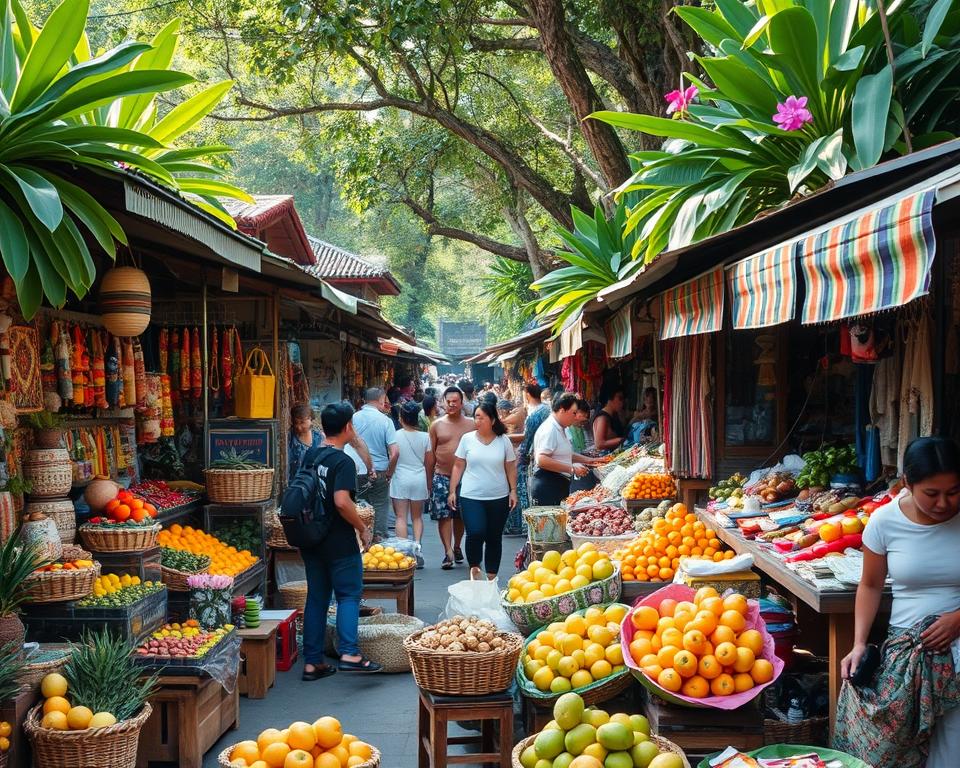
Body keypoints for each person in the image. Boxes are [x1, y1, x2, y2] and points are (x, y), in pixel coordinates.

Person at [836, 437, 960, 767]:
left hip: (958, 651)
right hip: (905, 653)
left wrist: (958, 619)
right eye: (932, 494)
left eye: (953, 491)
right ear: (907, 483)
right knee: (898, 750)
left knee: (951, 748)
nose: (944, 503)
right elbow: (871, 584)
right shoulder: (884, 521)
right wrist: (859, 644)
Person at [284, 402, 383, 679]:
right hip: (338, 541)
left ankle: (312, 662)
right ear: (348, 427)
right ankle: (350, 652)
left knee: (317, 597)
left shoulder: (312, 455)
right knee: (348, 595)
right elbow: (342, 502)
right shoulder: (343, 461)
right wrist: (362, 527)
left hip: (311, 537)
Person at [447, 401, 517, 580]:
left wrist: (513, 490)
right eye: (475, 417)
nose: (477, 421)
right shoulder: (467, 439)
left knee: (494, 537)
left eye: (481, 417)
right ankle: (475, 569)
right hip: (471, 496)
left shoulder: (504, 441)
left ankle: (492, 579)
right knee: (476, 532)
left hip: (498, 496)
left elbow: (510, 467)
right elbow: (458, 465)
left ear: (492, 420)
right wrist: (452, 490)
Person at [427, 386, 475, 569]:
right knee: (443, 515)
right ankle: (447, 551)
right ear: (443, 403)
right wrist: (429, 479)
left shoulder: (472, 424)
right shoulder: (436, 425)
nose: (452, 404)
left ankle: (456, 546)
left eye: (455, 401)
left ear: (462, 403)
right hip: (442, 475)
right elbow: (431, 453)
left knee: (460, 516)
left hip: (466, 477)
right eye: (448, 401)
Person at [351, 388, 399, 540]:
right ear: (381, 400)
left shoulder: (353, 417)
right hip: (379, 470)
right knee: (379, 505)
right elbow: (395, 452)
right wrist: (389, 472)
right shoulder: (385, 421)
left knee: (358, 506)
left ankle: (359, 539)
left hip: (356, 470)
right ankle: (378, 540)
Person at [531, 392, 595, 505]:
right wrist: (572, 468)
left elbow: (565, 454)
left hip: (557, 485)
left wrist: (590, 460)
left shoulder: (561, 428)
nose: (575, 417)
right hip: (548, 486)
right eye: (573, 413)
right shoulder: (550, 429)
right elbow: (541, 460)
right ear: (562, 410)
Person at [390, 401, 431, 567]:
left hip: (400, 477)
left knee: (400, 517)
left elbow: (393, 456)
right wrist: (428, 481)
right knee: (417, 517)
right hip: (419, 477)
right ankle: (418, 547)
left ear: (401, 418)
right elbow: (429, 463)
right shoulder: (425, 437)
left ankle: (403, 553)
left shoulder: (395, 435)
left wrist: (388, 473)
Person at [568, 398, 598, 492]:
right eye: (582, 420)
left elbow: (590, 443)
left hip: (584, 468)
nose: (583, 424)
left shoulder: (585, 426)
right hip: (573, 471)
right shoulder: (566, 429)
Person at [288, 403, 323, 482]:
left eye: (302, 422)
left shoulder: (319, 438)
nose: (298, 427)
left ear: (311, 419)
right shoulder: (290, 438)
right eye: (296, 423)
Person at [593, 384, 628, 453]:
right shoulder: (602, 418)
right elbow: (599, 444)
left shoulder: (614, 415)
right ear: (610, 399)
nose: (622, 402)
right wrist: (622, 440)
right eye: (620, 399)